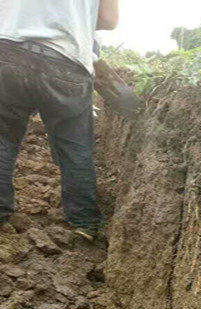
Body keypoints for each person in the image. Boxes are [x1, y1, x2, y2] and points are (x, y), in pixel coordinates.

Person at [0, 1, 119, 240]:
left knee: (3, 138)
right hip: (66, 59)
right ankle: (84, 222)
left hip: (8, 53)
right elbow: (108, 20)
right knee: (75, 147)